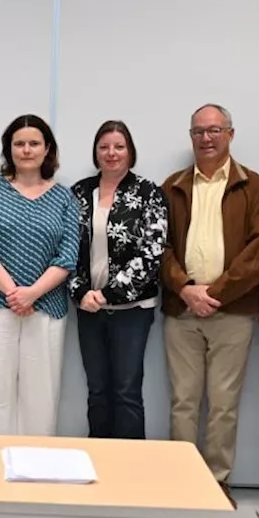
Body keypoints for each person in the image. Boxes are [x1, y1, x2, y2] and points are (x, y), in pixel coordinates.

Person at [159, 104, 259, 506]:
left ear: (230, 134)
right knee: (183, 401)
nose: (206, 138)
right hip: (183, 310)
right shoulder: (172, 186)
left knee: (224, 403)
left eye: (214, 130)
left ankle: (215, 481)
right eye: (198, 132)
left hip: (232, 312)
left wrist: (217, 292)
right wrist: (187, 288)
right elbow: (160, 248)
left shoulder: (253, 186)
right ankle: (181, 478)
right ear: (190, 137)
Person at [0, 114, 79, 436]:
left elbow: (68, 256)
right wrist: (13, 292)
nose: (26, 150)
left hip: (45, 309)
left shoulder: (64, 198)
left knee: (41, 397)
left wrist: (31, 294)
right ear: (9, 149)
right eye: (19, 143)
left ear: (47, 150)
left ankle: (36, 473)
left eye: (34, 143)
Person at [69, 121, 168, 439]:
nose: (111, 153)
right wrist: (82, 291)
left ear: (130, 151)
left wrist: (108, 294)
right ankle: (97, 464)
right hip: (88, 308)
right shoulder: (79, 193)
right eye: (104, 147)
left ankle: (131, 474)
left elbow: (151, 253)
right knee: (97, 391)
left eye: (119, 146)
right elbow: (66, 248)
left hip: (132, 310)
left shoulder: (149, 193)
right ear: (96, 152)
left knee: (126, 392)